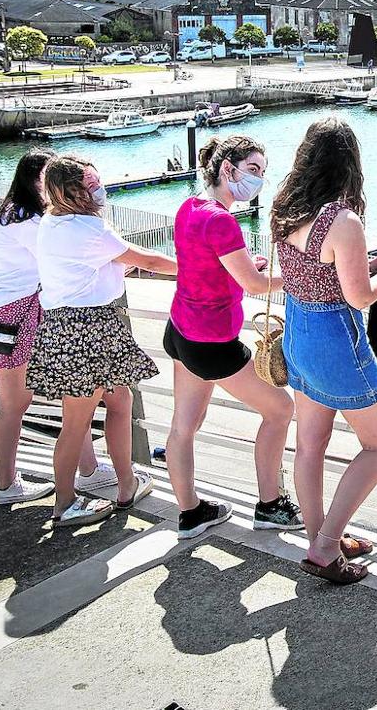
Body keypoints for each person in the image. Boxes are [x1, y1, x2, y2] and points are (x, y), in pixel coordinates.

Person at [272, 118, 377, 585]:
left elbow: (316, 269)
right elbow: (359, 297)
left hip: (298, 333)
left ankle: (320, 538)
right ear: (350, 163)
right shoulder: (342, 220)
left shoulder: (285, 209)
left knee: (310, 445)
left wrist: (364, 266)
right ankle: (328, 544)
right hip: (336, 339)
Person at [163, 135, 302, 540]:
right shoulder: (222, 220)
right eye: (254, 170)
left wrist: (244, 265)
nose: (259, 180)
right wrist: (300, 276)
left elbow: (210, 265)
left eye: (262, 173)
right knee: (280, 410)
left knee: (183, 426)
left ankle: (190, 514)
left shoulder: (189, 208)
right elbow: (257, 286)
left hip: (180, 332)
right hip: (212, 343)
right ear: (228, 169)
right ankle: (270, 505)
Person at [27, 155, 178, 527]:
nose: (99, 188)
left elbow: (97, 263)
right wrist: (202, 265)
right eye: (91, 183)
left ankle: (126, 483)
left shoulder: (53, 222)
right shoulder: (87, 229)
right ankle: (64, 502)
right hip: (87, 328)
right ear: (73, 190)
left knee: (120, 402)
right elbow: (150, 261)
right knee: (76, 422)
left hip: (77, 326)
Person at [0, 150, 117, 505]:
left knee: (58, 392)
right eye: (48, 178)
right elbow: (68, 257)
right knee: (18, 403)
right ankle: (10, 485)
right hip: (19, 313)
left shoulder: (18, 215)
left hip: (15, 311)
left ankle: (86, 470)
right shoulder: (28, 221)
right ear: (35, 182)